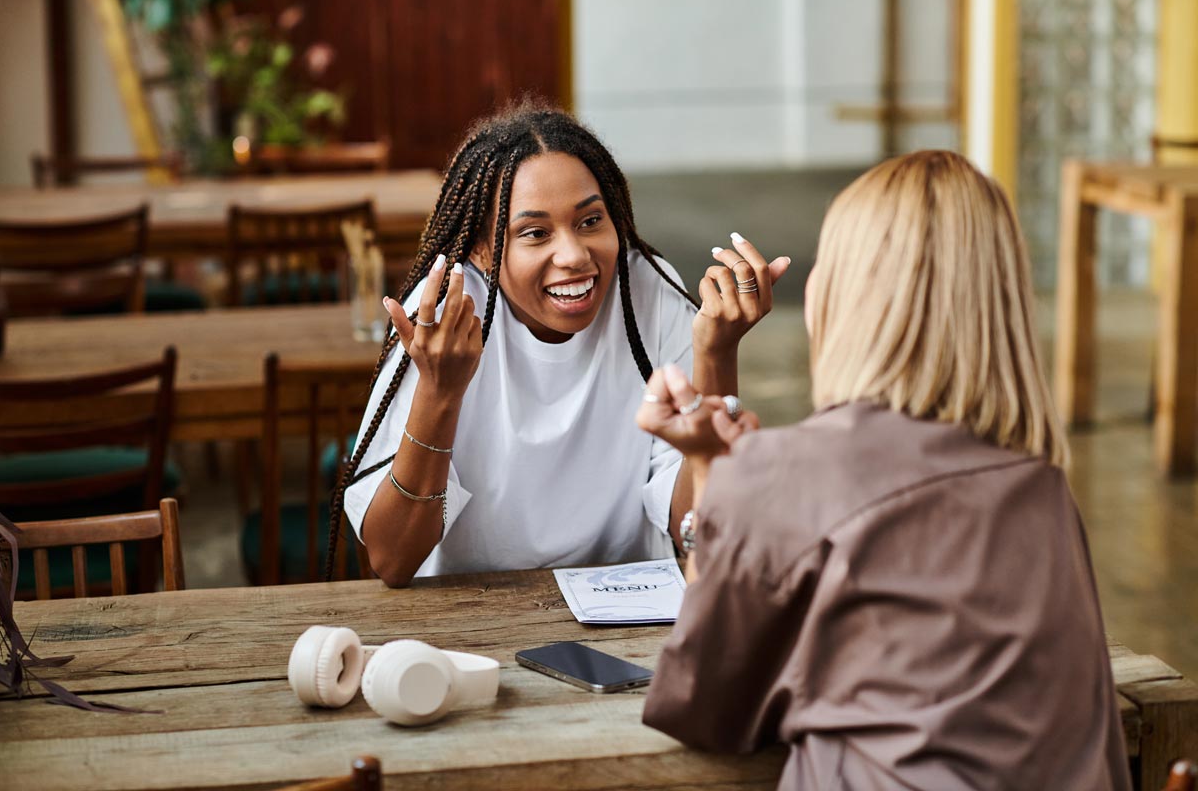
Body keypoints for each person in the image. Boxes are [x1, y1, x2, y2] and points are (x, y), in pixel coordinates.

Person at [636, 151, 1132, 790]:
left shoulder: (786, 472)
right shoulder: (1043, 487)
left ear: (837, 295)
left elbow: (704, 709)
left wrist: (714, 478)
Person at [330, 102, 789, 587]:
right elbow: (392, 558)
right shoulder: (447, 317)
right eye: (534, 233)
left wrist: (716, 355)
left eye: (590, 221)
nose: (574, 256)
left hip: (629, 619)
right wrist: (439, 393)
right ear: (482, 251)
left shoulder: (646, 293)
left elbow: (697, 530)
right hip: (469, 626)